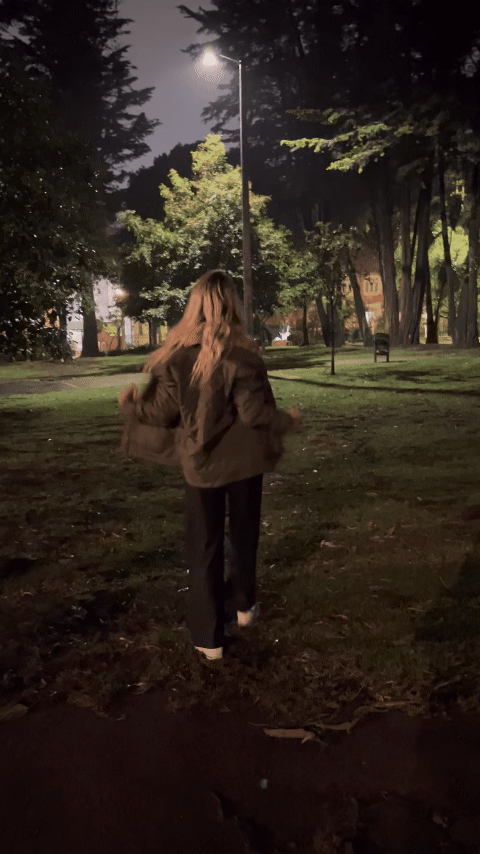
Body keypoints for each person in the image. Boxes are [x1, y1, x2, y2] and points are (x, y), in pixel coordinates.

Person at [119, 270, 303, 661]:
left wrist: (132, 406)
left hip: (200, 466)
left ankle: (209, 638)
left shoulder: (176, 356)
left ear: (196, 305)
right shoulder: (244, 352)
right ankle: (243, 606)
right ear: (231, 303)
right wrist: (287, 420)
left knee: (203, 547)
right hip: (244, 464)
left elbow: (160, 411)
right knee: (245, 536)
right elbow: (253, 413)